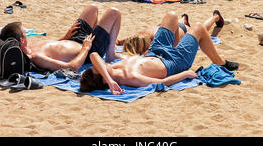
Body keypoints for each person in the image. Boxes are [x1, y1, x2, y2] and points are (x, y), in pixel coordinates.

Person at [80, 10, 239, 94]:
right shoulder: (130, 78)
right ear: (102, 80)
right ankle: (220, 62)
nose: (103, 64)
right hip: (175, 62)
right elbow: (161, 84)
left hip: (155, 52)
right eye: (99, 70)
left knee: (171, 16)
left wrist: (108, 77)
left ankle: (179, 42)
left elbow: (94, 56)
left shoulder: (112, 69)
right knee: (198, 27)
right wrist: (185, 75)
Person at [0, 5, 121, 72]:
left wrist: (66, 36)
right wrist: (85, 48)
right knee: (114, 12)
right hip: (89, 50)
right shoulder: (36, 57)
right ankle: (110, 54)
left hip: (74, 39)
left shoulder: (30, 47)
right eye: (25, 33)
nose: (27, 34)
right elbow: (72, 67)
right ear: (21, 40)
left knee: (92, 8)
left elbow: (53, 47)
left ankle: (103, 38)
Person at [118, 10, 225, 53]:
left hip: (180, 30)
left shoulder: (156, 41)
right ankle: (183, 19)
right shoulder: (138, 37)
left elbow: (175, 48)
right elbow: (118, 41)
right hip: (166, 25)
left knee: (201, 31)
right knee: (177, 24)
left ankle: (215, 17)